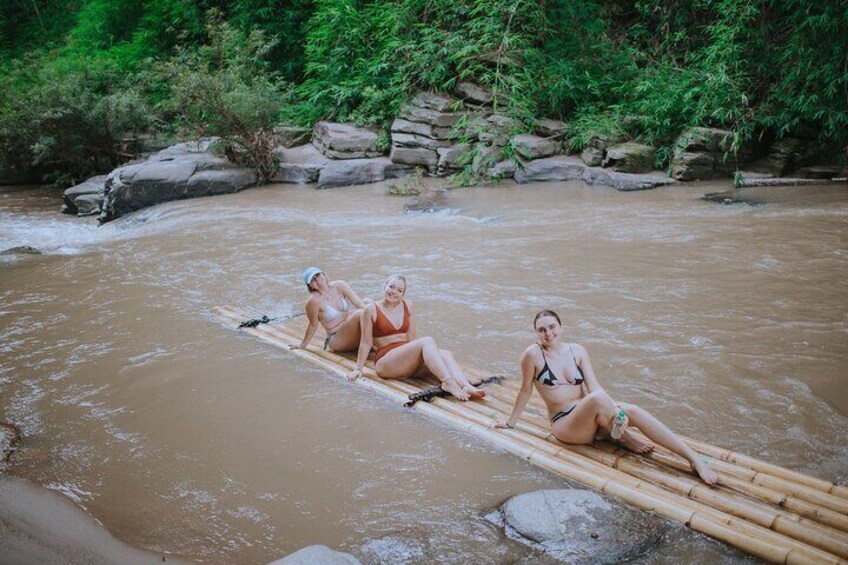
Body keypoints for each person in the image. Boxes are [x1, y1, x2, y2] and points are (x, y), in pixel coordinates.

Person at [494, 309, 718, 486]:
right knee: (598, 400)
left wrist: (615, 409)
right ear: (536, 333)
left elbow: (594, 387)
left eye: (552, 327)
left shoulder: (578, 351)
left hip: (591, 414)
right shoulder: (532, 355)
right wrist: (510, 422)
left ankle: (693, 459)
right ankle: (622, 436)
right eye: (541, 329)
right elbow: (525, 391)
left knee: (633, 410)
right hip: (566, 425)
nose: (548, 333)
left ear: (562, 328)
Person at [345, 274, 485, 402]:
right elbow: (366, 342)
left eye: (399, 290)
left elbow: (412, 339)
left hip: (405, 359)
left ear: (403, 294)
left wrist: (423, 359)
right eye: (391, 287)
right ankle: (448, 382)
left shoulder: (408, 305)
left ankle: (465, 385)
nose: (394, 292)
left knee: (445, 353)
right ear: (384, 286)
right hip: (386, 362)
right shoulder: (370, 309)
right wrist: (358, 369)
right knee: (427, 341)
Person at [297, 267, 367, 352]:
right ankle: (375, 345)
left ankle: (379, 341)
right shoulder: (313, 301)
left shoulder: (340, 285)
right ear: (311, 286)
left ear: (323, 274)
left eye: (318, 275)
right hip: (337, 339)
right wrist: (302, 345)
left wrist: (374, 312)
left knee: (367, 302)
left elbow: (358, 303)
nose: (317, 279)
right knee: (360, 313)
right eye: (313, 280)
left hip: (351, 331)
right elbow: (313, 325)